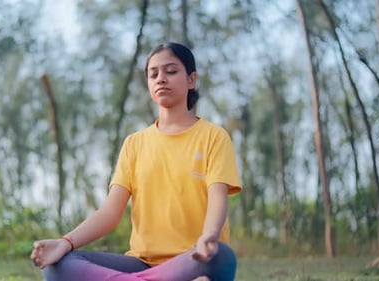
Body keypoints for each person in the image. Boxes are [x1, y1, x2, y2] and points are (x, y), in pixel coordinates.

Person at [30, 42, 242, 281]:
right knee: (57, 264)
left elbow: (217, 198)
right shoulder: (134, 143)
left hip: (193, 259)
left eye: (171, 71)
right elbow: (110, 212)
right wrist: (65, 243)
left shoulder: (213, 136)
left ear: (191, 79)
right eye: (154, 74)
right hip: (141, 265)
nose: (161, 78)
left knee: (221, 256)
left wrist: (209, 236)